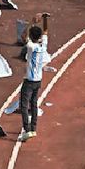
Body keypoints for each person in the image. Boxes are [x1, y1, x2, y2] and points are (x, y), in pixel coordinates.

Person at [19, 13, 50, 142]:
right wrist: (45, 19)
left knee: (24, 105)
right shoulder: (43, 46)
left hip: (29, 81)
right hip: (38, 80)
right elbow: (46, 31)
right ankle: (33, 128)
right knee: (34, 104)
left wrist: (32, 22)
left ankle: (27, 130)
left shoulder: (31, 47)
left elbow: (23, 36)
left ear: (32, 37)